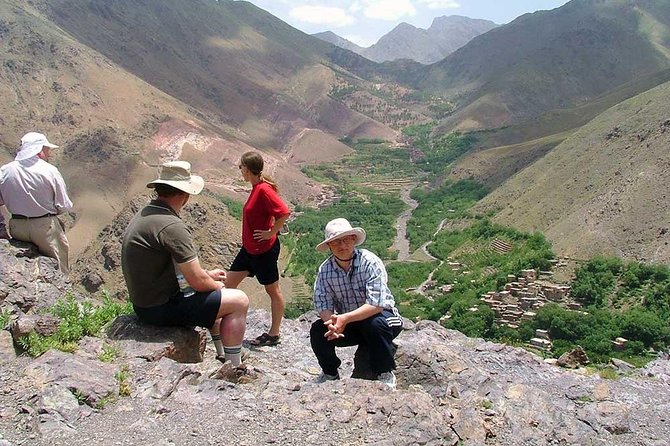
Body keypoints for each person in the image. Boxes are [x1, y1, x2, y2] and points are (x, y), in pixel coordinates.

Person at [121, 161, 251, 376]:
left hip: (145, 305)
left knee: (213, 294)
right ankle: (234, 368)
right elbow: (198, 283)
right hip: (159, 309)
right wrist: (215, 285)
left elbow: (176, 270)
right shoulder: (172, 226)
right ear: (185, 194)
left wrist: (207, 276)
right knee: (237, 301)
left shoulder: (147, 214)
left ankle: (221, 352)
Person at [310, 218, 403, 390]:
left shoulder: (370, 262)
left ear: (354, 239)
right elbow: (322, 302)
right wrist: (332, 323)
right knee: (318, 330)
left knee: (377, 324)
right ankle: (330, 373)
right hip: (350, 324)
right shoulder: (325, 270)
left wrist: (344, 318)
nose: (342, 245)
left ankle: (385, 372)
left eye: (346, 239)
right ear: (329, 245)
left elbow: (377, 304)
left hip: (382, 318)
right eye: (336, 241)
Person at [225, 151, 290, 347]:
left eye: (241, 167)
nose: (240, 171)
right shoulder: (257, 187)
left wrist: (271, 233)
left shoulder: (263, 190)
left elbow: (284, 212)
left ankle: (274, 333)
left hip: (263, 251)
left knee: (273, 290)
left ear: (247, 168)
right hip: (249, 250)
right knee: (228, 286)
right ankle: (220, 326)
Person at [0, 132, 73, 274]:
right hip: (45, 227)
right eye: (47, 149)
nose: (49, 153)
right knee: (59, 268)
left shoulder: (5, 171)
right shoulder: (49, 171)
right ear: (39, 150)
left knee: (24, 269)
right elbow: (63, 205)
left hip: (17, 227)